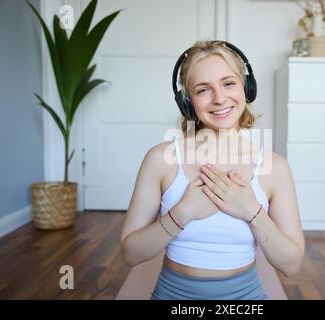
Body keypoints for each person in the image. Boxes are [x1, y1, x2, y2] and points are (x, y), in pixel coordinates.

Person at [120, 40, 304, 300]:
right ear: (187, 101)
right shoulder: (160, 159)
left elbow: (291, 265)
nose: (219, 99)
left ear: (246, 88)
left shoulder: (275, 168)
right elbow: (131, 254)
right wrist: (182, 213)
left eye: (229, 83)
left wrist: (251, 210)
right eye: (203, 89)